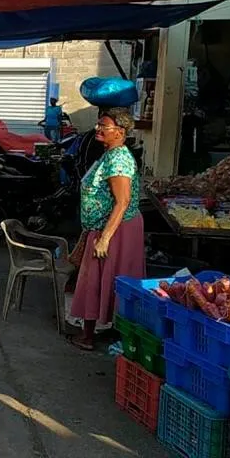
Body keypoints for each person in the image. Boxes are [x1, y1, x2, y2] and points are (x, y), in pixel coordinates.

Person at [69, 108, 144, 350]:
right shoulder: (110, 154)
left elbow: (122, 202)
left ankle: (89, 336)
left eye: (104, 126)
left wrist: (105, 238)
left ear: (120, 132)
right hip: (107, 227)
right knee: (100, 278)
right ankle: (105, 331)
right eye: (98, 124)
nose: (98, 129)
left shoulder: (119, 160)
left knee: (99, 279)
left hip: (116, 230)